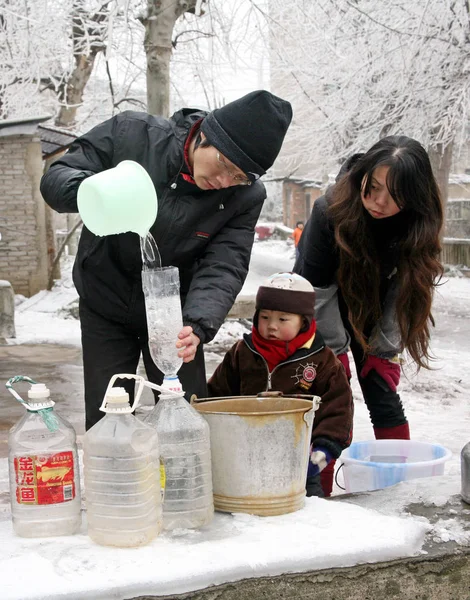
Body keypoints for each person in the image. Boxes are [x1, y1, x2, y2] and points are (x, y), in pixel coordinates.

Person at [40, 90, 293, 430]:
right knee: (109, 418)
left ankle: (183, 481)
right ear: (205, 135)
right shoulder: (133, 135)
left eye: (239, 177)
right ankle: (119, 480)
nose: (223, 182)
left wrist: (197, 325)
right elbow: (58, 176)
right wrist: (95, 193)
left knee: (186, 419)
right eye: (224, 166)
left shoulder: (245, 196)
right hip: (106, 300)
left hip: (175, 316)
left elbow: (225, 263)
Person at [295, 135, 443, 493]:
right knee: (328, 398)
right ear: (363, 176)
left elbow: (405, 290)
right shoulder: (330, 210)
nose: (378, 202)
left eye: (393, 196)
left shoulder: (417, 224)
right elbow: (317, 289)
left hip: (374, 309)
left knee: (381, 390)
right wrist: (333, 351)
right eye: (372, 187)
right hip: (320, 304)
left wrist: (385, 348)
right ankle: (317, 489)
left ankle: (394, 486)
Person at [207, 272, 353, 497]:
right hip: (245, 459)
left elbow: (338, 410)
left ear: (303, 322)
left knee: (302, 516)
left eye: (283, 319)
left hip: (300, 465)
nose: (271, 326)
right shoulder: (242, 353)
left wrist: (323, 450)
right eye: (265, 317)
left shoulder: (323, 362)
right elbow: (216, 395)